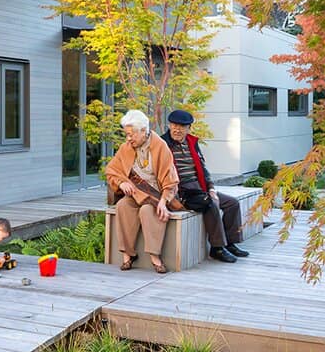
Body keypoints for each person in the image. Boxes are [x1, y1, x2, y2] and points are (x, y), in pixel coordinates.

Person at [163, 110, 249, 263]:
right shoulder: (163, 145)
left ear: (189, 128)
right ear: (169, 125)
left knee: (232, 203)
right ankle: (217, 248)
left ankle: (230, 243)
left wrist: (211, 188)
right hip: (182, 192)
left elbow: (203, 169)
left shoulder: (192, 143)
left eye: (182, 126)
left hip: (200, 188)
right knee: (209, 203)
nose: (177, 129)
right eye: (174, 125)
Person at [106, 109, 179, 274]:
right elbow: (112, 170)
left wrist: (163, 201)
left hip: (155, 195)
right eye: (126, 134)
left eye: (131, 134)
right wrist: (122, 182)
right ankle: (128, 255)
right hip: (135, 194)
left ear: (144, 131)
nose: (128, 138)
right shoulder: (126, 147)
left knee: (147, 210)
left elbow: (170, 179)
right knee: (123, 206)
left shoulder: (161, 146)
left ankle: (155, 256)